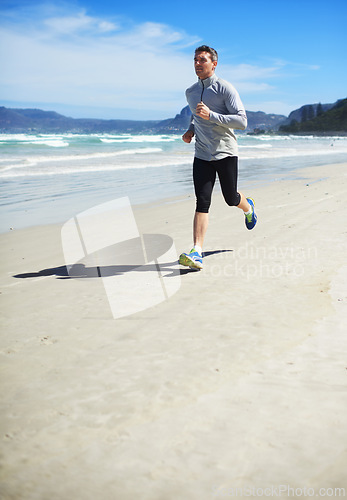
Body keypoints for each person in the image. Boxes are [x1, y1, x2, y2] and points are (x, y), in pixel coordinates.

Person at [179, 45, 257, 270]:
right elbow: (196, 116)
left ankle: (248, 207)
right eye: (195, 59)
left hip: (225, 151)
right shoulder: (190, 92)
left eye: (202, 60)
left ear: (214, 64)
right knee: (202, 201)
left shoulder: (225, 89)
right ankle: (197, 251)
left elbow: (242, 122)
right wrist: (191, 130)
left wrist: (212, 116)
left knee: (230, 197)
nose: (197, 63)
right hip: (202, 153)